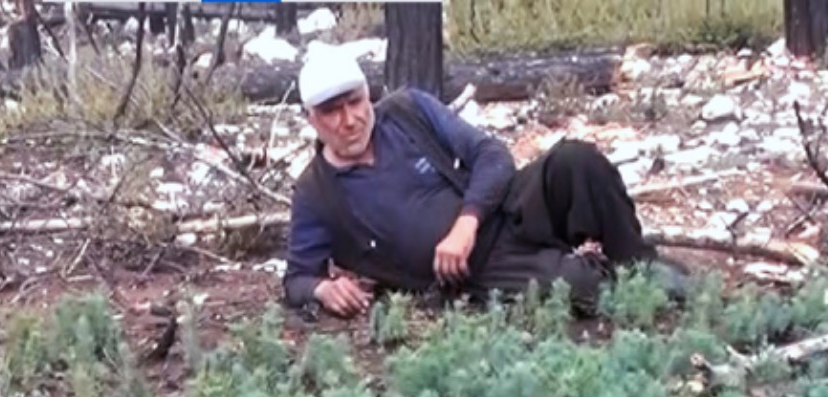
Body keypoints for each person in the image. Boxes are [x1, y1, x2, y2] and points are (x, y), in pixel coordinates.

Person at [283, 41, 684, 319]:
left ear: (367, 93)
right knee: (574, 284)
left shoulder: (408, 111)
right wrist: (321, 289)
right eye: (332, 111)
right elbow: (298, 277)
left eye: (355, 101)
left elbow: (491, 155)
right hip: (474, 271)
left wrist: (466, 222)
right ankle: (630, 289)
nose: (350, 119)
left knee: (576, 161)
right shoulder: (316, 193)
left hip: (501, 209)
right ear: (311, 118)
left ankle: (641, 267)